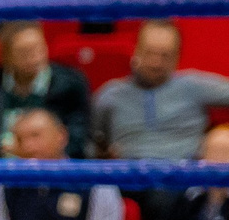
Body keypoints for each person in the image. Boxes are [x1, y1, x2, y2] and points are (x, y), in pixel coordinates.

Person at [90, 20, 229, 162]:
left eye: (165, 55)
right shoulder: (110, 94)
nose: (156, 63)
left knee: (222, 142)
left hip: (187, 175)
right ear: (135, 50)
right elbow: (92, 141)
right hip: (126, 175)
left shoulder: (193, 85)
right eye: (149, 53)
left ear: (177, 56)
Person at [0, 20, 91, 158]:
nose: (35, 57)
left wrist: (30, 150)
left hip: (51, 170)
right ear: (6, 56)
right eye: (24, 52)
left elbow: (78, 141)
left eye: (39, 48)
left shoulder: (70, 85)